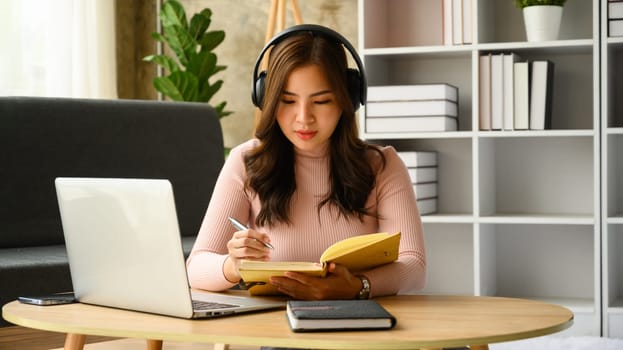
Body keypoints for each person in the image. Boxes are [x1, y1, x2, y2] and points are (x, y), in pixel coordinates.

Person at [186, 24, 425, 301]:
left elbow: (414, 266)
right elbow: (196, 267)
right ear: (268, 99)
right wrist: (232, 265)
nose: (303, 118)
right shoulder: (246, 162)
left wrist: (358, 286)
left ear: (347, 99)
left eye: (321, 101)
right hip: (277, 329)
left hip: (361, 327)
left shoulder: (382, 166)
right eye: (287, 101)